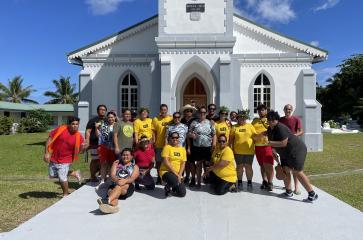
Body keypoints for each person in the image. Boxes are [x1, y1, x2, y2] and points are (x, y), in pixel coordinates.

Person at [266, 111, 318, 201]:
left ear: (277, 120)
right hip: (285, 153)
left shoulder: (280, 128)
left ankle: (312, 194)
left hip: (297, 150)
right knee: (285, 169)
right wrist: (273, 151)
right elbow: (274, 142)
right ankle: (288, 192)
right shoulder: (269, 129)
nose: (270, 121)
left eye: (273, 120)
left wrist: (268, 143)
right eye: (269, 119)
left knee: (297, 171)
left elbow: (283, 143)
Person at [44, 117, 86, 197]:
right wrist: (47, 153)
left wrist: (83, 147)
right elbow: (49, 139)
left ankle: (66, 194)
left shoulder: (79, 136)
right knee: (52, 175)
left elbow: (80, 151)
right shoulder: (61, 129)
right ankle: (74, 173)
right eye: (73, 124)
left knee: (62, 178)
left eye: (77, 124)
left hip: (66, 159)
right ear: (69, 124)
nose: (75, 126)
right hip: (54, 157)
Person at [97, 148, 139, 214]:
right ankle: (111, 207)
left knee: (119, 187)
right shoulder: (116, 163)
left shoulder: (135, 166)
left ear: (131, 156)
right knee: (112, 194)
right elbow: (112, 175)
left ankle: (106, 200)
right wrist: (117, 180)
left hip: (127, 187)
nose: (125, 157)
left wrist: (125, 181)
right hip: (114, 184)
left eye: (127, 155)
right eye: (123, 155)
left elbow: (133, 178)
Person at [188, 106, 216, 188]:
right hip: (197, 146)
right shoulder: (194, 122)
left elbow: (214, 134)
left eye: (204, 112)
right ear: (198, 113)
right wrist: (192, 135)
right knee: (199, 164)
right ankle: (199, 181)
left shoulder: (210, 122)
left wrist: (213, 145)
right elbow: (189, 133)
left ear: (206, 113)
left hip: (207, 146)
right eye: (201, 112)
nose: (202, 114)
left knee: (207, 164)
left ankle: (207, 178)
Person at [279, 104, 304, 195]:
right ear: (283, 109)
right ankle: (288, 185)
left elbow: (301, 131)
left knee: (294, 168)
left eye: (289, 109)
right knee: (285, 168)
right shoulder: (280, 120)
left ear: (292, 110)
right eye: (286, 109)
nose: (288, 110)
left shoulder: (296, 119)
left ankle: (296, 187)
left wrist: (294, 135)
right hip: (283, 147)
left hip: (293, 146)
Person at [229, 110, 257, 190]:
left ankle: (249, 182)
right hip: (238, 151)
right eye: (240, 117)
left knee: (248, 167)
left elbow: (255, 137)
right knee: (239, 167)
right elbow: (230, 139)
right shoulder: (234, 127)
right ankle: (240, 181)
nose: (242, 119)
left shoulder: (250, 126)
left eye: (243, 117)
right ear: (237, 118)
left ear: (246, 118)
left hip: (249, 151)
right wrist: (230, 148)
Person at [251, 104, 274, 191]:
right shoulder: (254, 121)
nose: (261, 111)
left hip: (267, 146)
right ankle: (264, 181)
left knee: (269, 165)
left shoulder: (270, 120)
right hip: (258, 146)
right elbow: (252, 133)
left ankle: (270, 182)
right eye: (259, 110)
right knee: (262, 165)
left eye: (263, 110)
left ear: (266, 110)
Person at [160, 132, 187, 197]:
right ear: (170, 139)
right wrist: (176, 174)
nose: (175, 139)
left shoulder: (182, 149)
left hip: (177, 174)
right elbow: (166, 162)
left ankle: (174, 185)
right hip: (166, 171)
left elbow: (183, 163)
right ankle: (167, 187)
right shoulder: (167, 147)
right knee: (175, 181)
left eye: (176, 137)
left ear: (179, 138)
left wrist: (180, 174)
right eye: (173, 137)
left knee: (182, 193)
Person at [85, 104, 107, 182]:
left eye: (104, 109)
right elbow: (88, 131)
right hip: (94, 143)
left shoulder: (108, 119)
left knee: (104, 161)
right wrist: (87, 141)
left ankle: (102, 175)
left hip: (105, 144)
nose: (102, 111)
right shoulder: (92, 120)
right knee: (95, 160)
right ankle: (92, 176)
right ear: (97, 111)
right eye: (100, 109)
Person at [95, 111, 117, 189]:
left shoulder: (117, 125)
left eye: (112, 117)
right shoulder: (103, 125)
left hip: (114, 148)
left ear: (115, 118)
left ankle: (110, 180)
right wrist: (96, 128)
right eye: (109, 117)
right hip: (104, 147)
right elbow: (98, 135)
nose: (110, 118)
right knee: (103, 164)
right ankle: (102, 181)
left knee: (112, 164)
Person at [152, 104, 172, 184]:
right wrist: (154, 140)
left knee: (168, 162)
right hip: (159, 144)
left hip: (169, 145)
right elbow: (153, 131)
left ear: (167, 110)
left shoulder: (171, 118)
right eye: (162, 110)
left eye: (165, 109)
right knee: (159, 162)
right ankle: (159, 178)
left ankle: (168, 177)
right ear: (160, 110)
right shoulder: (156, 119)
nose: (163, 111)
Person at [180, 104, 197, 186]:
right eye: (187, 111)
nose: (188, 112)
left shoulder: (195, 120)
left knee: (191, 162)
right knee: (185, 162)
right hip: (183, 144)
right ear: (184, 112)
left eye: (190, 111)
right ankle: (187, 176)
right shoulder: (181, 120)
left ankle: (193, 178)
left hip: (192, 144)